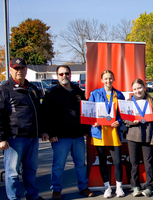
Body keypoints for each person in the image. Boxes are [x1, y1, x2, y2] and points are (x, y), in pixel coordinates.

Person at [42, 66, 94, 200]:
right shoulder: (51, 93)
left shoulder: (78, 91)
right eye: (61, 74)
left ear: (70, 75)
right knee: (58, 165)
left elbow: (85, 112)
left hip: (77, 136)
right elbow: (46, 115)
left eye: (66, 73)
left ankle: (83, 187)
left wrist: (86, 130)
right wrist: (50, 133)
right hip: (60, 137)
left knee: (81, 163)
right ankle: (56, 190)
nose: (64, 75)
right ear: (57, 76)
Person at [0, 58, 47, 200]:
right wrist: (1, 138)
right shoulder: (4, 89)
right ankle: (14, 197)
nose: (19, 71)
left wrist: (43, 130)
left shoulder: (32, 88)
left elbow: (39, 112)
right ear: (10, 69)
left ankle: (32, 195)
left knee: (31, 170)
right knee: (12, 172)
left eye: (21, 68)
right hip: (15, 138)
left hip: (32, 137)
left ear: (26, 69)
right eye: (16, 68)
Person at [88, 70, 126, 198]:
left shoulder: (119, 95)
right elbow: (90, 113)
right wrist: (94, 122)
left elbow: (122, 115)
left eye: (110, 78)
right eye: (105, 79)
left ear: (114, 79)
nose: (108, 81)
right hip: (100, 133)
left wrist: (119, 122)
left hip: (113, 132)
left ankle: (119, 188)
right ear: (101, 80)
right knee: (103, 161)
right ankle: (107, 187)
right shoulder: (94, 94)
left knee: (117, 162)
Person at [123, 79, 153, 197]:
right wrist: (132, 122)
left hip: (148, 137)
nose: (137, 91)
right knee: (134, 163)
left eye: (139, 88)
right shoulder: (128, 101)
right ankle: (135, 186)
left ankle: (150, 186)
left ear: (144, 87)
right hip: (132, 136)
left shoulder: (152, 102)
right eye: (134, 89)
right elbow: (124, 120)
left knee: (149, 162)